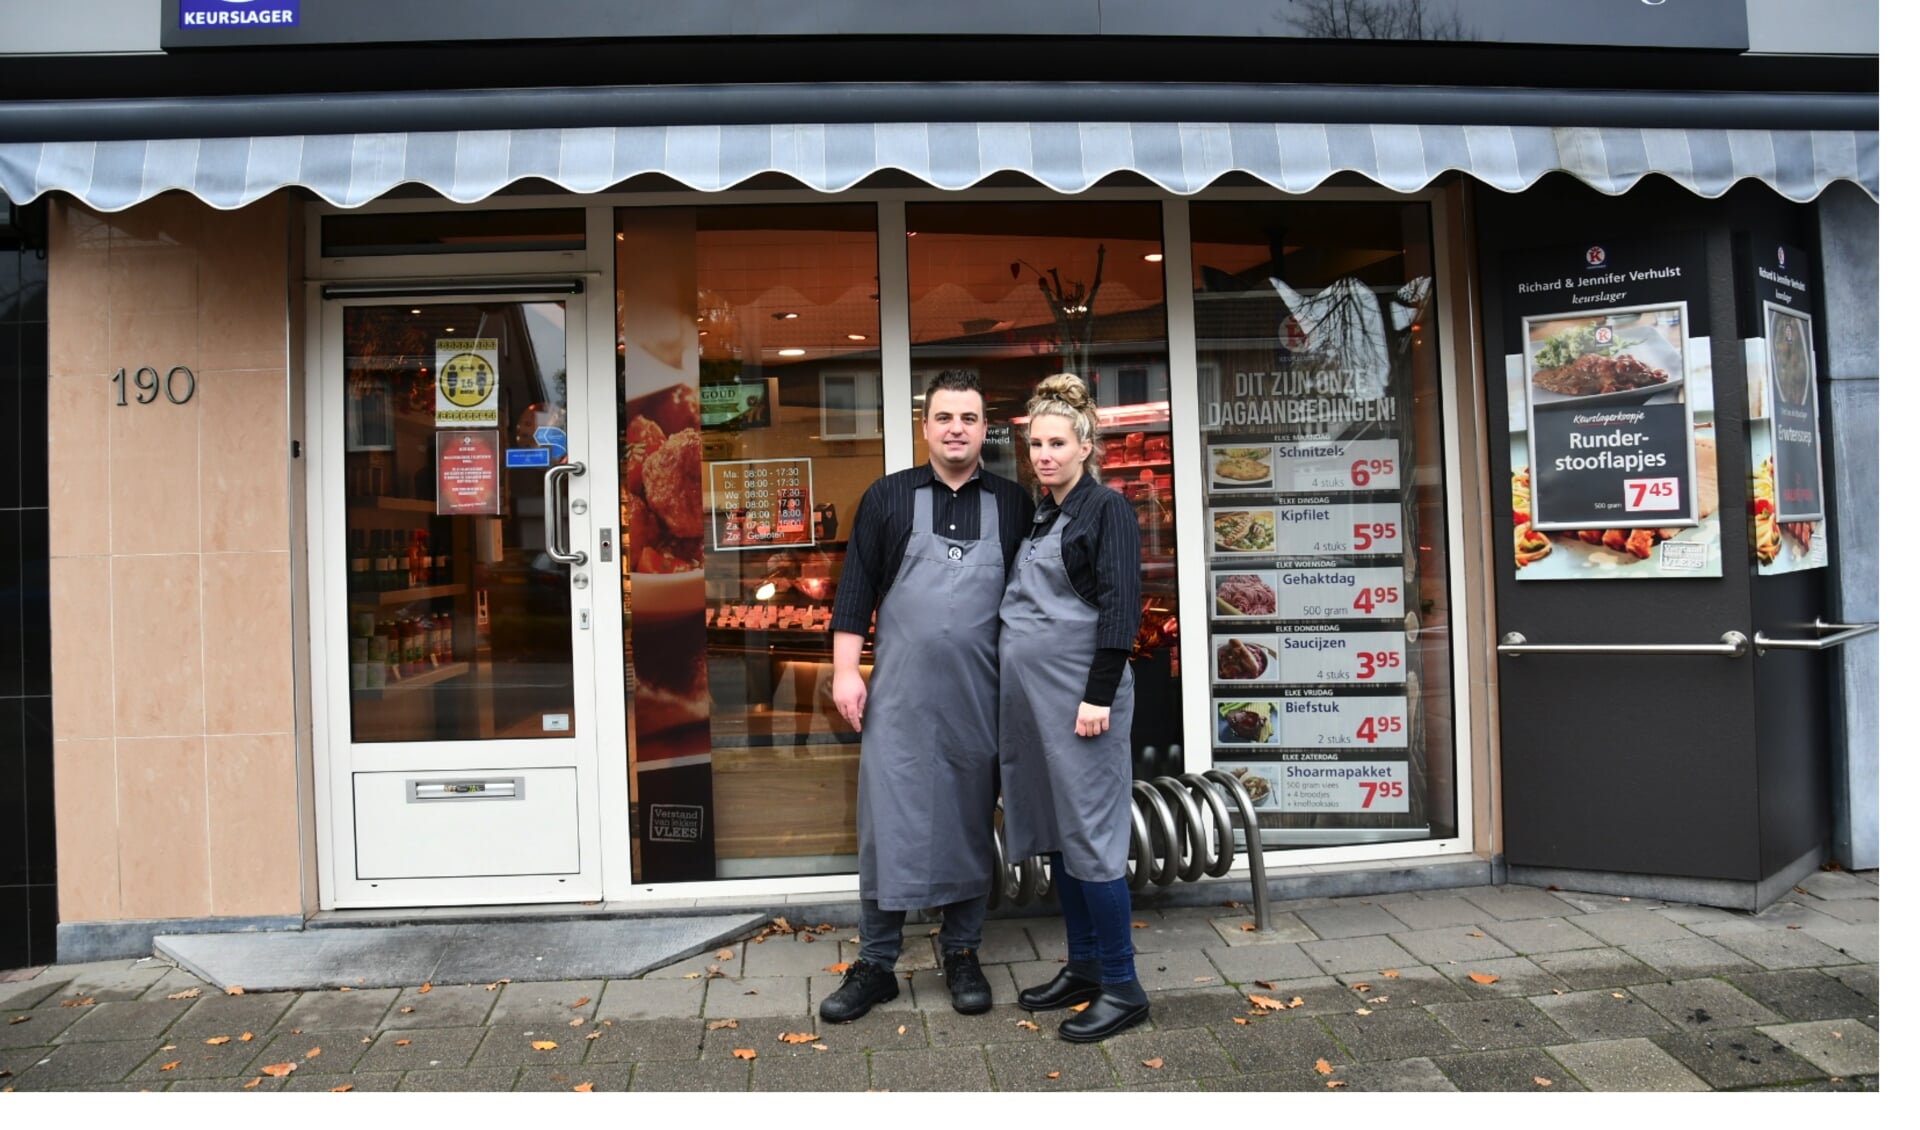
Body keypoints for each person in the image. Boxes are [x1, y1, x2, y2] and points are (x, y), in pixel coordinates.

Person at [819, 370, 1036, 1022]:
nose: (956, 430)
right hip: (901, 697)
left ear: (984, 427)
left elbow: (1033, 602)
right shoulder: (886, 499)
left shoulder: (1013, 504)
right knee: (887, 822)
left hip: (982, 694)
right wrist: (847, 671)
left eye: (969, 418)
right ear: (925, 426)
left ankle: (962, 951)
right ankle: (877, 962)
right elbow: (855, 591)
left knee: (972, 818)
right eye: (945, 417)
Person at [998, 373, 1147, 1043]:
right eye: (1036, 445)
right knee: (1059, 833)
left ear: (1087, 445)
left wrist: (1097, 694)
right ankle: (1084, 967)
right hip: (1036, 704)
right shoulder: (1043, 513)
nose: (1046, 455)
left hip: (1085, 700)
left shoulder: (1105, 509)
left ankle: (1123, 985)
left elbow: (1120, 607)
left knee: (1091, 837)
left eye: (1058, 443)